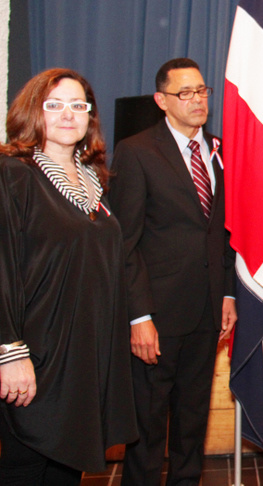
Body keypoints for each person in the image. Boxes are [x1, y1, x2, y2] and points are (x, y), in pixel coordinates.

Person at [0, 69, 137, 484]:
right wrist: (10, 353)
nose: (67, 114)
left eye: (78, 105)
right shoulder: (14, 174)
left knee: (66, 470)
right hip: (35, 357)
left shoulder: (95, 180)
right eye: (54, 104)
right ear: (32, 112)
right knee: (26, 469)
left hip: (83, 359)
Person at [109, 58, 236, 486]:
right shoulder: (136, 151)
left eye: (202, 91)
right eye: (185, 93)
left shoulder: (220, 151)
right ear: (161, 100)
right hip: (157, 317)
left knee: (191, 426)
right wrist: (139, 316)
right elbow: (125, 242)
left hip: (207, 313)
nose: (198, 100)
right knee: (147, 431)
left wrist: (228, 294)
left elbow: (225, 233)